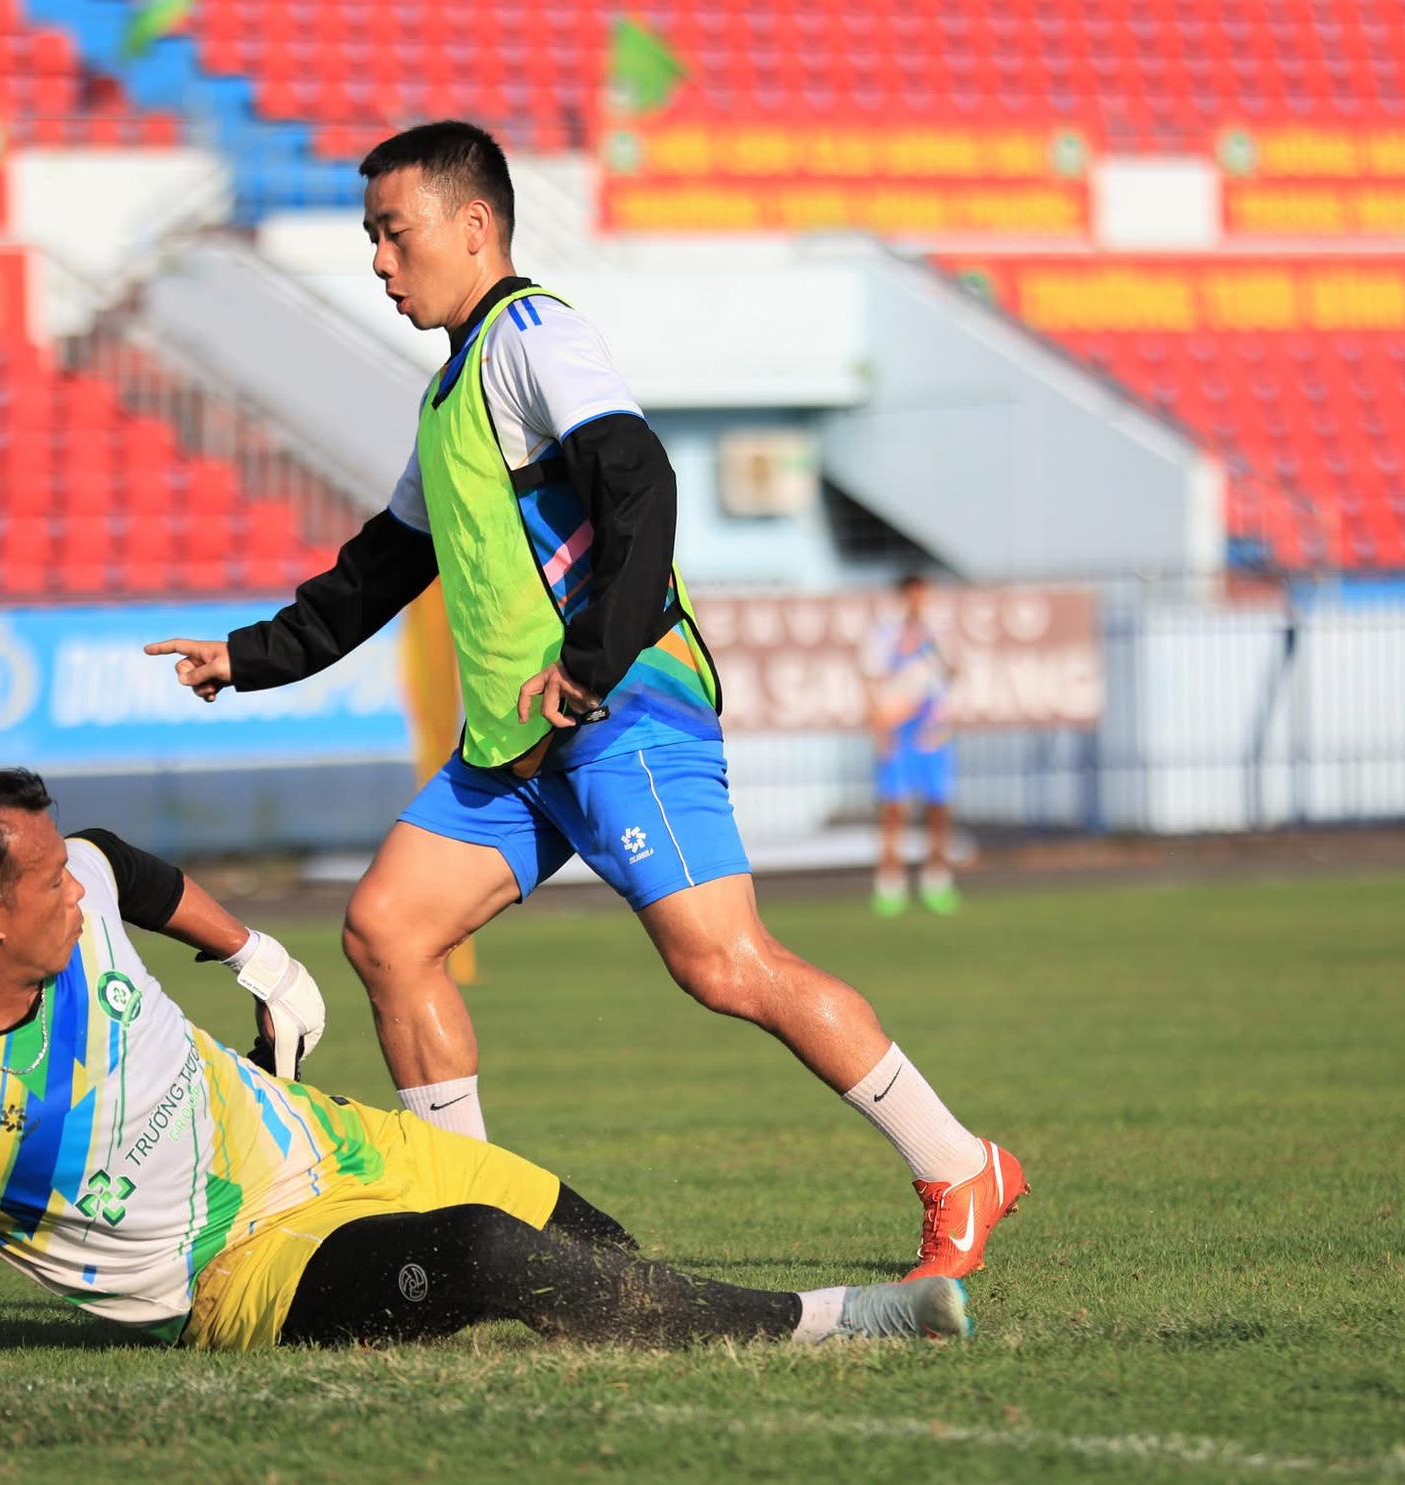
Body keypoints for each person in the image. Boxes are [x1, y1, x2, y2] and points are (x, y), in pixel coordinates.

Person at [142, 121, 1025, 1284]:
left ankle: (959, 1164)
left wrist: (593, 662)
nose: (376, 260)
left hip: (617, 712)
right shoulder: (450, 393)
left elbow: (637, 480)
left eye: (390, 233)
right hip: (521, 743)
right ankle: (473, 1229)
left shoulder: (533, 334)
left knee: (721, 962)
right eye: (368, 237)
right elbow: (377, 570)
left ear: (472, 228)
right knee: (388, 931)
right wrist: (246, 656)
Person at [0, 768, 970, 1392]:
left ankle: (701, 1330)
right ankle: (845, 1319)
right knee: (491, 1255)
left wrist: (254, 955)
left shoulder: (73, 884)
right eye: (45, 885)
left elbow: (117, 859)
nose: (73, 887)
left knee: (592, 1247)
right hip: (241, 1272)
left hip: (327, 1141)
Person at [866, 573, 962, 917]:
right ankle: (890, 883)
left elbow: (953, 674)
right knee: (894, 808)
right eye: (912, 596)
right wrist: (881, 728)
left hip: (931, 730)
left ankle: (937, 879)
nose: (917, 602)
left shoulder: (939, 634)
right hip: (898, 728)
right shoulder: (885, 635)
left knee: (938, 807)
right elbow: (872, 680)